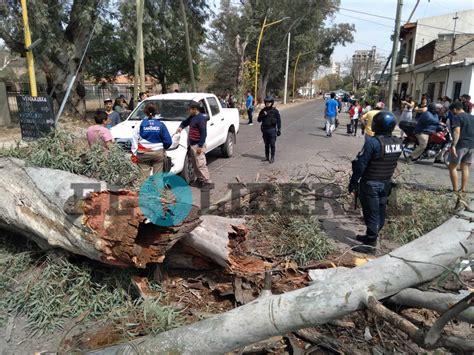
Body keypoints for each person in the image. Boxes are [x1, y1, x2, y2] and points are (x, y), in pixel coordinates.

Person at [348, 111, 402, 254]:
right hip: (386, 183)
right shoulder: (397, 142)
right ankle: (370, 236)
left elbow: (361, 165)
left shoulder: (373, 142)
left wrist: (353, 182)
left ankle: (371, 244)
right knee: (380, 211)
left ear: (377, 125)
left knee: (371, 213)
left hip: (371, 183)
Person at [176, 101, 214, 189]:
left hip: (198, 145)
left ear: (195, 109)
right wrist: (181, 127)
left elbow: (204, 133)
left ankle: (207, 182)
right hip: (193, 145)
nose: (188, 110)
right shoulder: (192, 117)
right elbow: (185, 122)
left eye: (190, 109)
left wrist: (200, 146)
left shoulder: (201, 119)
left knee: (201, 164)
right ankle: (200, 180)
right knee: (195, 163)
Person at [131, 102, 172, 184]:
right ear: (156, 112)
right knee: (158, 177)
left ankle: (144, 195)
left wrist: (134, 154)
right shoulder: (161, 125)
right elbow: (168, 141)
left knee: (143, 178)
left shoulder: (139, 124)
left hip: (143, 154)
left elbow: (134, 139)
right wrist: (164, 148)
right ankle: (158, 195)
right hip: (158, 154)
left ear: (145, 112)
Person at [447, 102, 474, 193]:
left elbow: (457, 132)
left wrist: (453, 145)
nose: (451, 113)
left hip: (461, 145)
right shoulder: (472, 117)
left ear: (454, 109)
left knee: (452, 166)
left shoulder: (457, 117)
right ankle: (463, 189)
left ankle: (455, 189)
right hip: (472, 145)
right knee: (465, 167)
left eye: (451, 111)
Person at [257, 96, 281, 163]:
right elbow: (258, 120)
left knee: (272, 144)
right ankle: (267, 157)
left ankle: (272, 157)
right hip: (265, 130)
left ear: (272, 102)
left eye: (269, 102)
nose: (268, 103)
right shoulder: (263, 111)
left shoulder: (275, 111)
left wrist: (279, 129)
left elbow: (279, 121)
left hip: (272, 130)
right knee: (266, 144)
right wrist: (263, 115)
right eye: (266, 102)